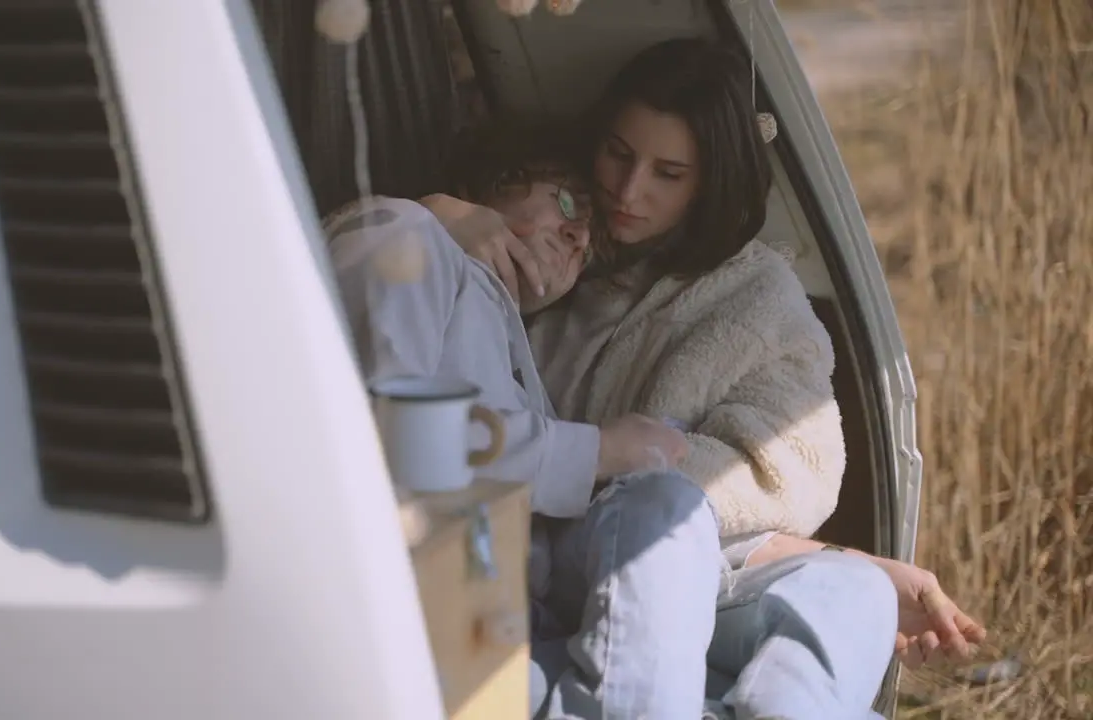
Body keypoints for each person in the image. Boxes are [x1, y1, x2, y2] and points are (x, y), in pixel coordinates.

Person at [421, 38, 986, 719]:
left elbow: (768, 484)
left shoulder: (757, 303)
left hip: (709, 571)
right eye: (619, 155)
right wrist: (442, 212)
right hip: (569, 571)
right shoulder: (542, 244)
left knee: (853, 593)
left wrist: (865, 568)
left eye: (668, 173)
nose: (629, 192)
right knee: (666, 510)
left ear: (709, 180)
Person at [324, 119, 732, 718]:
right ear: (494, 185)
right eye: (567, 202)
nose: (574, 235)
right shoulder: (406, 232)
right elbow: (387, 440)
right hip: (417, 623)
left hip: (516, 631)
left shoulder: (521, 357)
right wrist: (598, 451)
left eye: (586, 247)